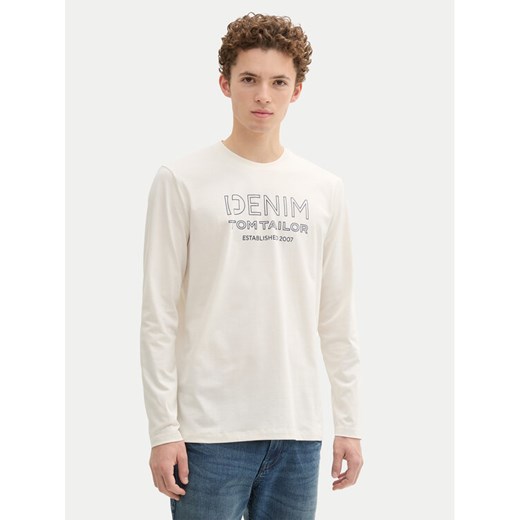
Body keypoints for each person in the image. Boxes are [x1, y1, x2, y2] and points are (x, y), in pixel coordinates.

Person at [139, 12, 364, 520]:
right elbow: (158, 317)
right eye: (249, 80)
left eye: (278, 82)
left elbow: (337, 317)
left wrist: (348, 423)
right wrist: (163, 429)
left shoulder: (324, 189)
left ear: (297, 90)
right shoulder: (182, 180)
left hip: (298, 433)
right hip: (208, 434)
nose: (263, 95)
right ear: (225, 84)